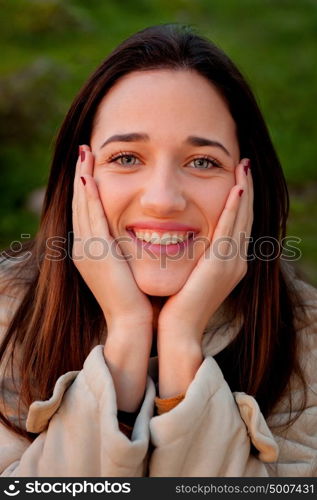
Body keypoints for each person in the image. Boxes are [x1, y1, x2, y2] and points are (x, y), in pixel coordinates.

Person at [0, 23, 316, 478]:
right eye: (127, 157)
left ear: (247, 184)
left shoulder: (308, 341)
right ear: (79, 177)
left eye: (203, 161)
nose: (163, 199)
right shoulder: (6, 316)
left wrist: (182, 341)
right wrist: (126, 336)